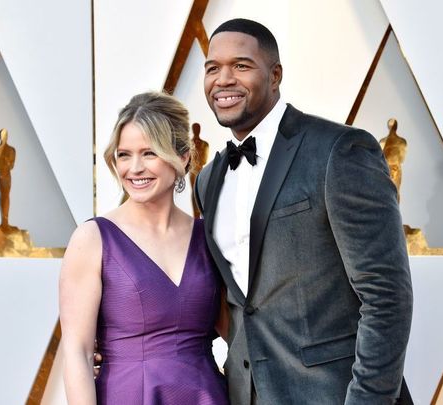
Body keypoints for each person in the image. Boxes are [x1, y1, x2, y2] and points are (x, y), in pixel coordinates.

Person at [194, 19, 413, 404]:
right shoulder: (208, 179)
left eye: (241, 66)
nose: (223, 79)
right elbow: (234, 302)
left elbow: (386, 296)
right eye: (213, 68)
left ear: (274, 75)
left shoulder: (340, 151)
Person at [60, 91, 229, 404]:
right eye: (124, 155)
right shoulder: (93, 239)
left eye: (149, 153)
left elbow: (239, 331)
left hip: (206, 395)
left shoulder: (209, 236)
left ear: (183, 157)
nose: (134, 168)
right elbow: (77, 353)